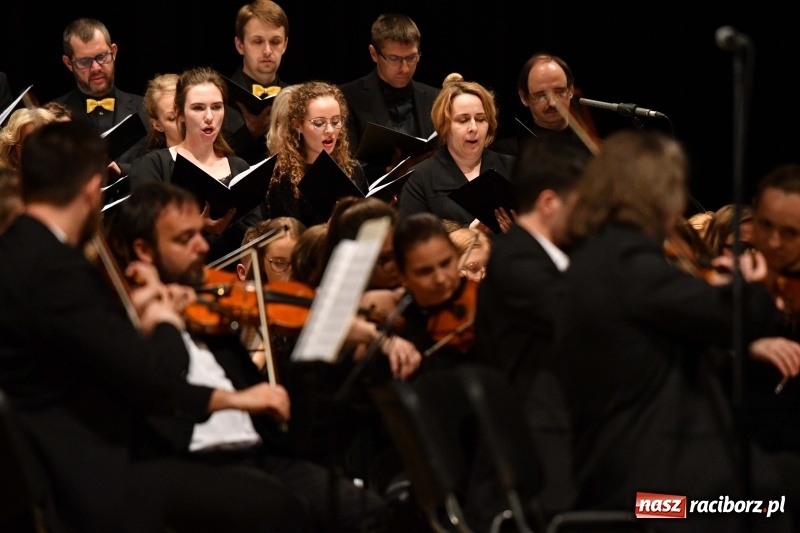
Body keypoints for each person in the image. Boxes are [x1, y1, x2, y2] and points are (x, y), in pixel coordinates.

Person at [0, 120, 318, 532]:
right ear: (90, 188)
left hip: (66, 452)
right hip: (92, 471)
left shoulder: (18, 251)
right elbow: (152, 383)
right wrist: (162, 322)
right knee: (274, 504)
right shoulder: (58, 269)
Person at [105, 180, 389, 533]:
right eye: (183, 239)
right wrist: (164, 324)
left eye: (198, 234)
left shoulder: (209, 305)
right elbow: (166, 392)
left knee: (374, 513)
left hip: (261, 454)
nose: (201, 245)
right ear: (144, 251)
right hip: (193, 465)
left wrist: (343, 334)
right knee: (283, 513)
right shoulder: (124, 320)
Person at [555, 129, 800, 532]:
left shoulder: (593, 257)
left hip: (619, 472)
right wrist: (752, 290)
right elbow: (737, 318)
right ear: (658, 197)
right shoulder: (633, 265)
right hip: (657, 499)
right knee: (771, 503)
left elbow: (655, 346)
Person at [471, 134, 591, 523]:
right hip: (545, 455)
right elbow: (584, 319)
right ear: (550, 203)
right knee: (668, 508)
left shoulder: (541, 258)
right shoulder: (517, 264)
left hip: (566, 432)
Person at [128, 67, 265, 263]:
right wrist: (196, 227)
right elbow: (144, 229)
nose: (209, 116)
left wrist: (227, 225)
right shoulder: (152, 165)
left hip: (234, 278)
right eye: (198, 108)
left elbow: (255, 234)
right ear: (180, 113)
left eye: (216, 107)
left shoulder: (239, 166)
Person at [397, 73, 515, 230]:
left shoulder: (513, 167)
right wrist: (468, 234)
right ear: (444, 126)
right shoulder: (418, 178)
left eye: (480, 119)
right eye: (463, 120)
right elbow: (412, 241)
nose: (473, 128)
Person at [339, 13, 438, 182]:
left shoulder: (436, 97)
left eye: (411, 57)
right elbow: (346, 166)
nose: (405, 68)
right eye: (394, 59)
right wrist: (389, 172)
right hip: (374, 201)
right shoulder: (347, 97)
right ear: (374, 54)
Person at [54, 18, 148, 176]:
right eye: (85, 61)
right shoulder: (52, 116)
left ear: (114, 51)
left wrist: (121, 170)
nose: (96, 67)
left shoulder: (147, 108)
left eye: (102, 56)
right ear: (68, 64)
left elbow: (161, 168)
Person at [266, 81, 366, 227]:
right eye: (319, 123)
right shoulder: (283, 178)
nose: (330, 130)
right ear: (297, 125)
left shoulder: (353, 168)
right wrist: (329, 229)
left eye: (336, 121)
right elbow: (289, 242)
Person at [494, 52, 595, 158]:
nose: (552, 103)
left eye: (559, 92)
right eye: (541, 96)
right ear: (524, 97)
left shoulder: (595, 151)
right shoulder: (506, 155)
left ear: (571, 91)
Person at [227, 0, 291, 164]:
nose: (268, 51)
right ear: (240, 45)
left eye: (275, 42)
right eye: (258, 41)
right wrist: (248, 133)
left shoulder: (296, 97)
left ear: (285, 45)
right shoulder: (220, 96)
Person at [142, 72, 182, 151]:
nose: (184, 121)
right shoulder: (152, 162)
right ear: (157, 125)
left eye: (185, 112)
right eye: (172, 118)